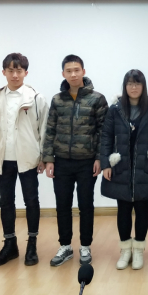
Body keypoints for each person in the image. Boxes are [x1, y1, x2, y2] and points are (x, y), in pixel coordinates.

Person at [0, 53, 48, 267]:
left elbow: (44, 129)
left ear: (26, 72)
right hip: (4, 160)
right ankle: (10, 244)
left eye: (19, 70)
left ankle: (32, 244)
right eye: (10, 70)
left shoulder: (36, 98)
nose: (15, 75)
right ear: (4, 72)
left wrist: (43, 157)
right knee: (6, 202)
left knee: (31, 201)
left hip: (28, 158)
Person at [42, 55, 109, 267]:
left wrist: (99, 158)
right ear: (63, 73)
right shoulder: (57, 99)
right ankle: (65, 246)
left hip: (87, 162)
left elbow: (104, 132)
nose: (73, 74)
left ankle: (85, 246)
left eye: (76, 70)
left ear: (83, 71)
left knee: (85, 205)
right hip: (61, 161)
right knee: (62, 204)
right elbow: (50, 130)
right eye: (69, 71)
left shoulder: (97, 99)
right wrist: (48, 159)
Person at [100, 70, 148, 270]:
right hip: (121, 165)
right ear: (125, 86)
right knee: (123, 209)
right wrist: (105, 164)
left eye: (137, 83)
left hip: (145, 165)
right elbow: (106, 137)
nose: (134, 87)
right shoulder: (115, 109)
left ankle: (138, 250)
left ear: (143, 86)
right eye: (130, 84)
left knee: (142, 208)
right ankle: (125, 250)